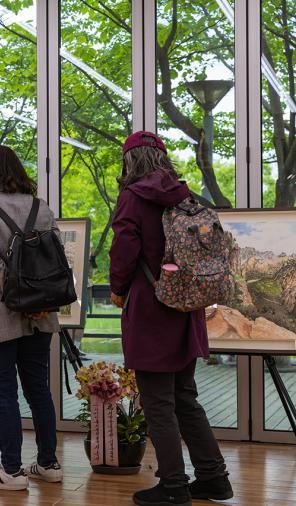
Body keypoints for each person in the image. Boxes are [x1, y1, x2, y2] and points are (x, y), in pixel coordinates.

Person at [109, 131, 233, 506]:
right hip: (186, 308)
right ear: (162, 159)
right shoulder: (186, 195)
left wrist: (117, 288)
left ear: (131, 161)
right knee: (185, 397)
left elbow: (124, 247)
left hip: (151, 308)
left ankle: (174, 486)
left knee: (158, 401)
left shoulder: (133, 197)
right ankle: (214, 478)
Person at [0, 145, 63, 491]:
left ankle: (11, 471)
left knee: (4, 392)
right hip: (42, 314)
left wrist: (20, 301)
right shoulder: (41, 207)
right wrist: (37, 303)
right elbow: (54, 258)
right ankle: (49, 464)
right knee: (39, 389)